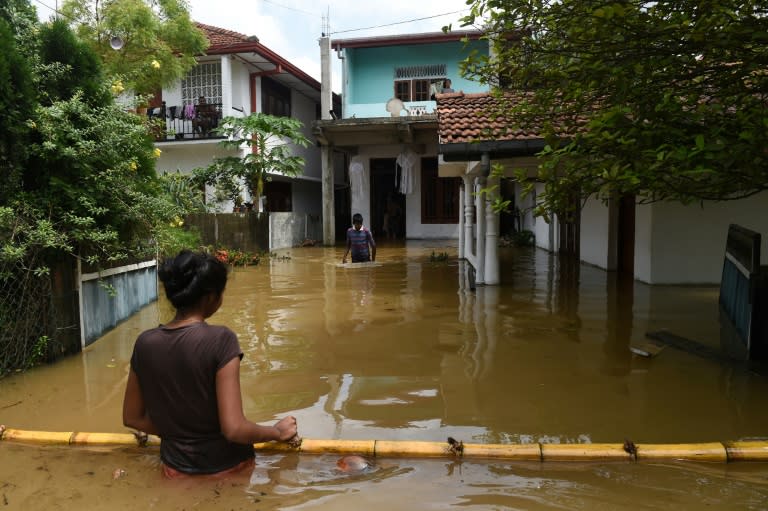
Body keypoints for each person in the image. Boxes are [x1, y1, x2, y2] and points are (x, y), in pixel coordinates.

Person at [122, 250, 298, 478]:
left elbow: (132, 418)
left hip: (173, 471)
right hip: (230, 470)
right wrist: (275, 431)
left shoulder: (144, 343)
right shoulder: (222, 340)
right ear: (210, 297)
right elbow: (234, 429)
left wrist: (177, 434)